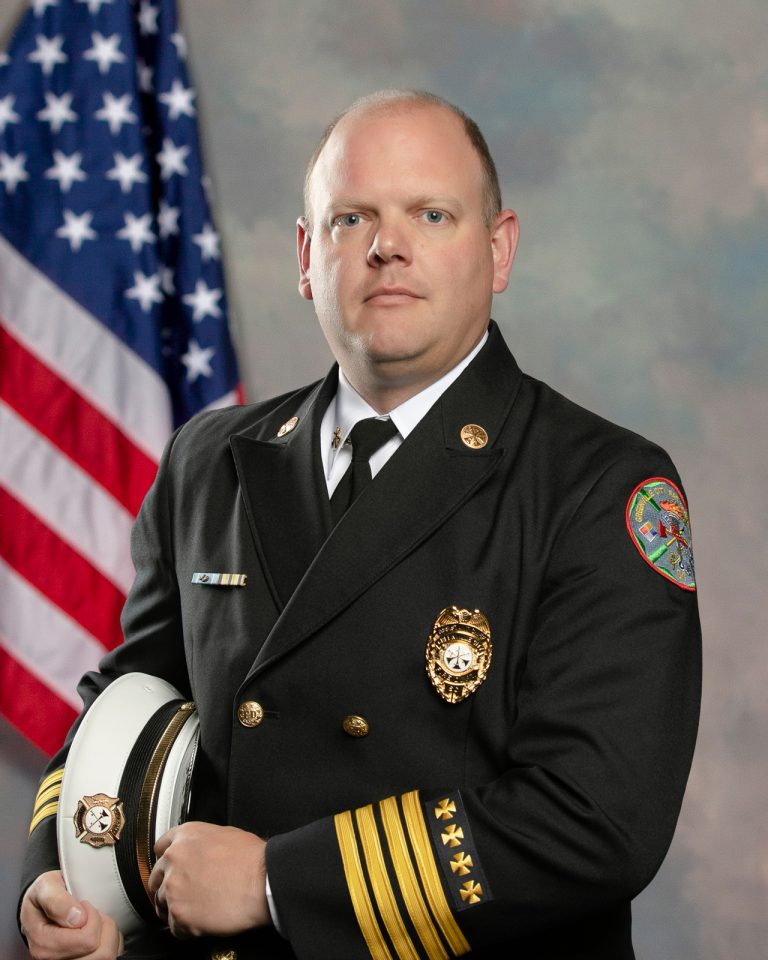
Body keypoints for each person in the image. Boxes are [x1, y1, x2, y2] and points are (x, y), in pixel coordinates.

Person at [19, 89, 701, 960]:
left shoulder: (599, 485)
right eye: (351, 218)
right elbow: (130, 705)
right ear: (307, 256)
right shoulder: (210, 459)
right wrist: (63, 878)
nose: (388, 246)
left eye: (432, 212)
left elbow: (597, 818)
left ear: (498, 252)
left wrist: (276, 883)